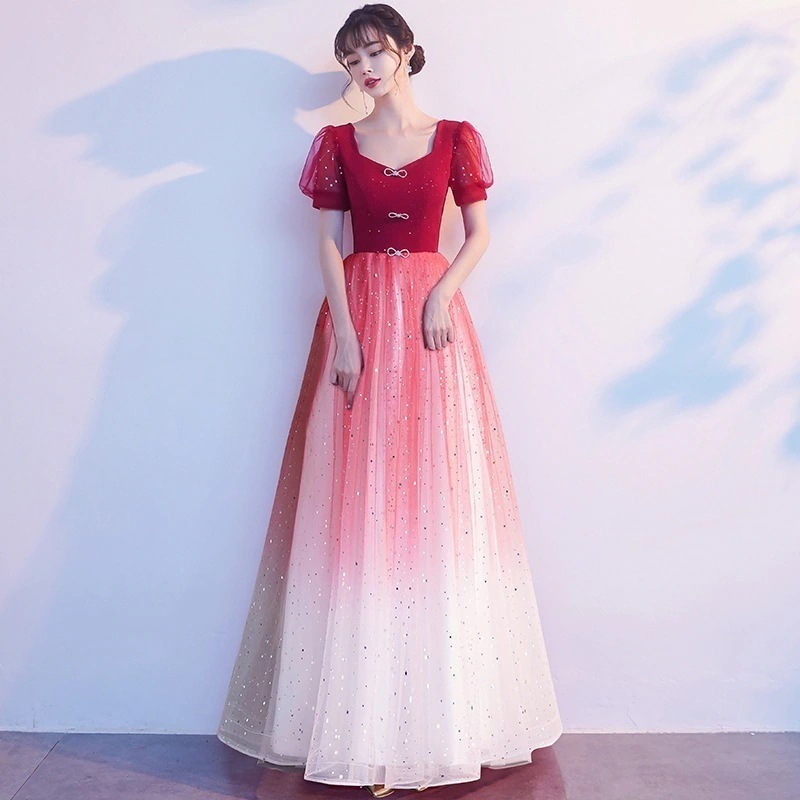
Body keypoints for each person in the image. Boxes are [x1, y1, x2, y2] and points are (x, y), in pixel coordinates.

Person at [216, 4, 562, 796]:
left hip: (433, 324)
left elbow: (478, 233)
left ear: (406, 50)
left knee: (437, 499)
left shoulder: (456, 137)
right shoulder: (337, 144)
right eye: (351, 59)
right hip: (363, 314)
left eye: (374, 51)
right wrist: (343, 333)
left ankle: (441, 720)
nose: (364, 69)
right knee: (359, 499)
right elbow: (327, 243)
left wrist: (441, 294)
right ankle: (359, 722)